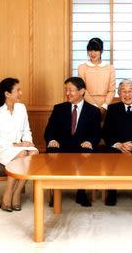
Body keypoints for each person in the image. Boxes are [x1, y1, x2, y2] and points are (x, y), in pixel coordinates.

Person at [0, 78, 39, 212]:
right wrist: (18, 145)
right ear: (7, 94)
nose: (21, 93)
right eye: (18, 90)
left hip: (19, 146)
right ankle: (8, 194)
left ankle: (17, 192)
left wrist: (28, 142)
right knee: (22, 154)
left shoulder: (21, 107)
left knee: (34, 153)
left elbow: (26, 130)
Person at [44, 77, 101, 207]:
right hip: (62, 145)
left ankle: (81, 193)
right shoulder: (59, 108)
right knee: (52, 150)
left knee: (87, 151)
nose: (67, 93)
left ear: (81, 91)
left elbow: (97, 133)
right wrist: (52, 140)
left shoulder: (93, 111)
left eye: (71, 90)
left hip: (81, 145)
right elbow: (49, 130)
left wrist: (90, 142)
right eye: (66, 90)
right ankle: (56, 192)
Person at [77, 37, 116, 118]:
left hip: (106, 106)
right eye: (90, 50)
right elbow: (82, 89)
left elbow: (112, 90)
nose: (92, 53)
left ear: (101, 51)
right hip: (87, 104)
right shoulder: (82, 68)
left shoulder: (110, 68)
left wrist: (104, 106)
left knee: (105, 129)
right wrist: (94, 106)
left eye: (96, 50)